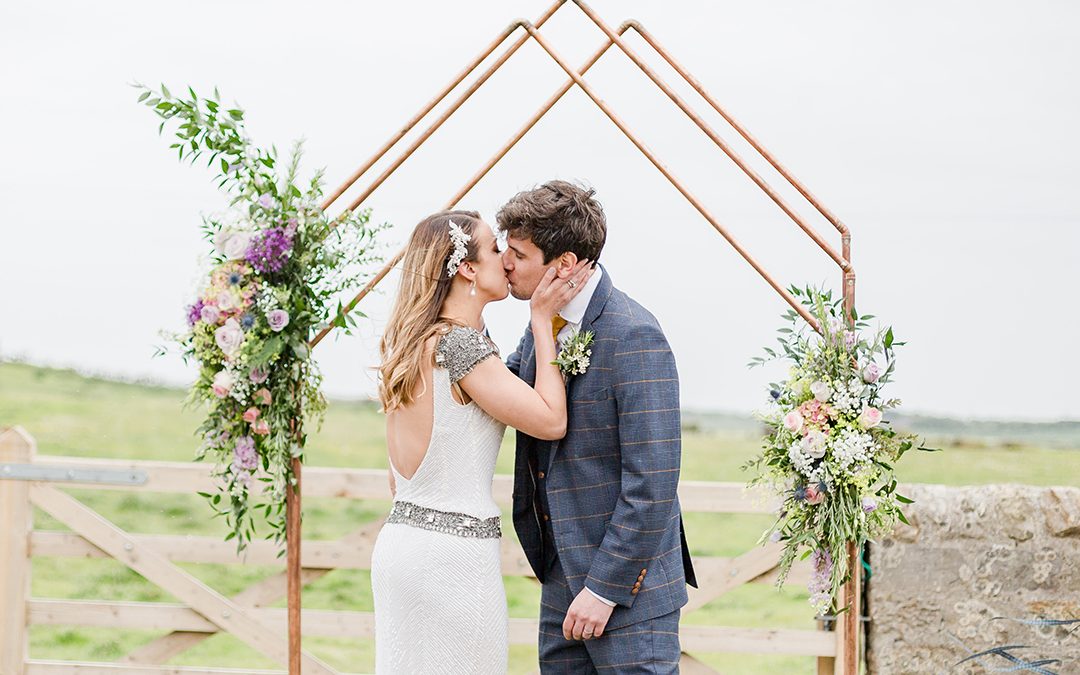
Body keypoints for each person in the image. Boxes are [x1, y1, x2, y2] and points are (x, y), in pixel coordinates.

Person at [370, 209, 593, 674]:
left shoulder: (413, 343)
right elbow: (551, 421)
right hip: (454, 558)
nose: (506, 260)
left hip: (400, 548)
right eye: (495, 248)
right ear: (468, 268)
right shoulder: (460, 347)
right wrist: (542, 321)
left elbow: (400, 482)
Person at [499, 181, 698, 674]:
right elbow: (505, 391)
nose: (504, 261)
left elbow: (652, 483)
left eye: (518, 254)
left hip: (626, 595)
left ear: (563, 265)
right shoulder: (545, 323)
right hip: (560, 579)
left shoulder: (634, 334)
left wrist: (604, 590)